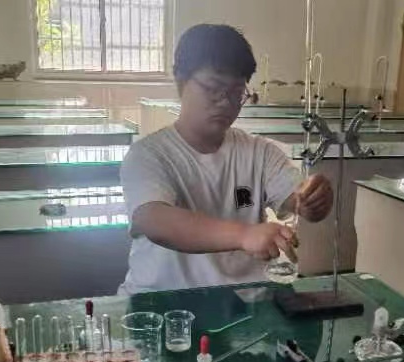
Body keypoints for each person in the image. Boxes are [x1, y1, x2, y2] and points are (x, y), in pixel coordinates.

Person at [118, 24, 333, 295]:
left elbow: (299, 200)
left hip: (242, 302)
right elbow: (155, 221)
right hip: (163, 303)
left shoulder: (260, 152)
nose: (225, 102)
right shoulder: (148, 154)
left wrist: (315, 200)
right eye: (213, 88)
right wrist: (244, 235)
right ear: (180, 80)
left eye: (236, 93)